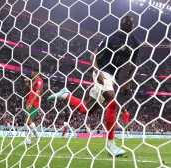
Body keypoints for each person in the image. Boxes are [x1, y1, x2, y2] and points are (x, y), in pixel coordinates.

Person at [48, 16, 140, 156]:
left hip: (113, 77)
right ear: (120, 26)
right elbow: (93, 57)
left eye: (128, 28)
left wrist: (128, 80)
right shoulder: (111, 38)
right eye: (123, 28)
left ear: (132, 28)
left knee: (88, 110)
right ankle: (111, 145)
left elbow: (134, 63)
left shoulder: (135, 43)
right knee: (113, 101)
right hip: (102, 72)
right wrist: (96, 72)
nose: (125, 32)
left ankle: (65, 94)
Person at [24, 68, 44, 145]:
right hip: (29, 102)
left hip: (33, 103)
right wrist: (26, 84)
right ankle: (29, 140)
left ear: (36, 72)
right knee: (26, 121)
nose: (31, 73)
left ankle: (36, 136)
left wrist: (31, 104)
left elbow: (38, 92)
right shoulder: (34, 82)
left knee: (28, 121)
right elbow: (28, 92)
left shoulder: (39, 81)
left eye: (32, 71)